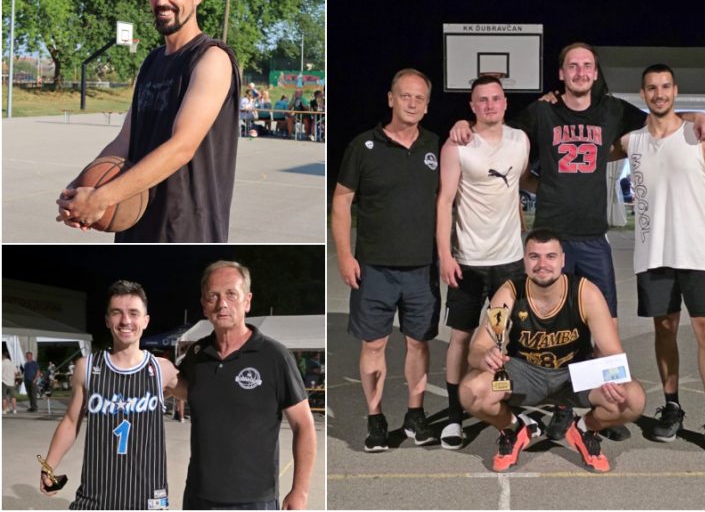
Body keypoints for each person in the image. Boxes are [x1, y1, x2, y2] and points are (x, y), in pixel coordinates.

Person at [450, 44, 705, 440]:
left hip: (593, 238)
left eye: (586, 65)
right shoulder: (542, 112)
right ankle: (555, 403)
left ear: (595, 72)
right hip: (551, 240)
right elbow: (495, 128)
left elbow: (663, 119)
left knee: (605, 327)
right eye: (572, 66)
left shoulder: (613, 110)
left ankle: (599, 403)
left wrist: (698, 116)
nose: (580, 71)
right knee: (551, 323)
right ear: (561, 74)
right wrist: (463, 123)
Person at [57, 0, 240, 243]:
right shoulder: (152, 62)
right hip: (135, 220)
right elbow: (124, 142)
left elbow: (182, 147)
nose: (161, 0)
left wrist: (101, 198)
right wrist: (77, 190)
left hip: (184, 228)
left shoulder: (211, 58)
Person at [612, 64, 705, 455]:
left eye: (665, 86)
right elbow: (587, 143)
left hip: (700, 251)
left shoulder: (699, 135)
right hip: (653, 253)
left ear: (675, 90)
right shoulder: (630, 141)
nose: (659, 93)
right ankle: (672, 408)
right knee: (665, 329)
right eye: (652, 88)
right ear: (642, 94)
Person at [460, 229, 646, 472]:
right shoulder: (509, 293)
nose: (542, 264)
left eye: (550, 256)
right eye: (534, 256)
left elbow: (612, 352)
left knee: (633, 399)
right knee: (471, 392)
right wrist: (484, 357)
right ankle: (515, 428)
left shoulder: (585, 292)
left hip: (574, 375)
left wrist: (614, 380)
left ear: (563, 260)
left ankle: (584, 429)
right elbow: (477, 349)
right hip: (524, 374)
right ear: (524, 260)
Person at [331, 68, 441, 452]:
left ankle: (415, 413)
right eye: (405, 95)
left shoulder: (435, 146)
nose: (412, 103)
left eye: (419, 98)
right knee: (374, 345)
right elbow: (341, 201)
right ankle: (375, 418)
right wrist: (345, 255)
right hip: (374, 267)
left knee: (418, 343)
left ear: (427, 106)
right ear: (391, 99)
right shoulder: (363, 146)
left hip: (422, 268)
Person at [436, 75, 529, 449]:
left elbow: (516, 190)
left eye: (496, 98)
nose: (490, 105)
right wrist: (445, 255)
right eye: (482, 100)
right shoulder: (457, 144)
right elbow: (445, 201)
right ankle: (454, 417)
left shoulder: (520, 140)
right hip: (469, 261)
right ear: (472, 106)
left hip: (510, 261)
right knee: (460, 337)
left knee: (507, 335)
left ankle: (505, 407)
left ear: (505, 102)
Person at [178, 261, 316, 509]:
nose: (222, 304)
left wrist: (300, 491)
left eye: (231, 294)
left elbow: (303, 425)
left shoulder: (274, 356)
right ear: (204, 304)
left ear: (247, 301)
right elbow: (184, 389)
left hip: (253, 500)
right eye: (213, 296)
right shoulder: (196, 355)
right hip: (198, 497)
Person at [39, 281, 179, 509]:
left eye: (133, 313)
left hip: (148, 499)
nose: (125, 321)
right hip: (95, 498)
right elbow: (71, 421)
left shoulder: (162, 369)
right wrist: (48, 467)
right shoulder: (86, 367)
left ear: (146, 320)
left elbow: (204, 395)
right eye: (117, 313)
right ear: (107, 320)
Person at [2, 349, 17, 414]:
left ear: (3, 356)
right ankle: (14, 410)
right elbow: (16, 372)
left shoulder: (2, 363)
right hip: (11, 382)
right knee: (13, 397)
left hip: (3, 382)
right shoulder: (12, 363)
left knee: (3, 397)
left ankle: (4, 410)